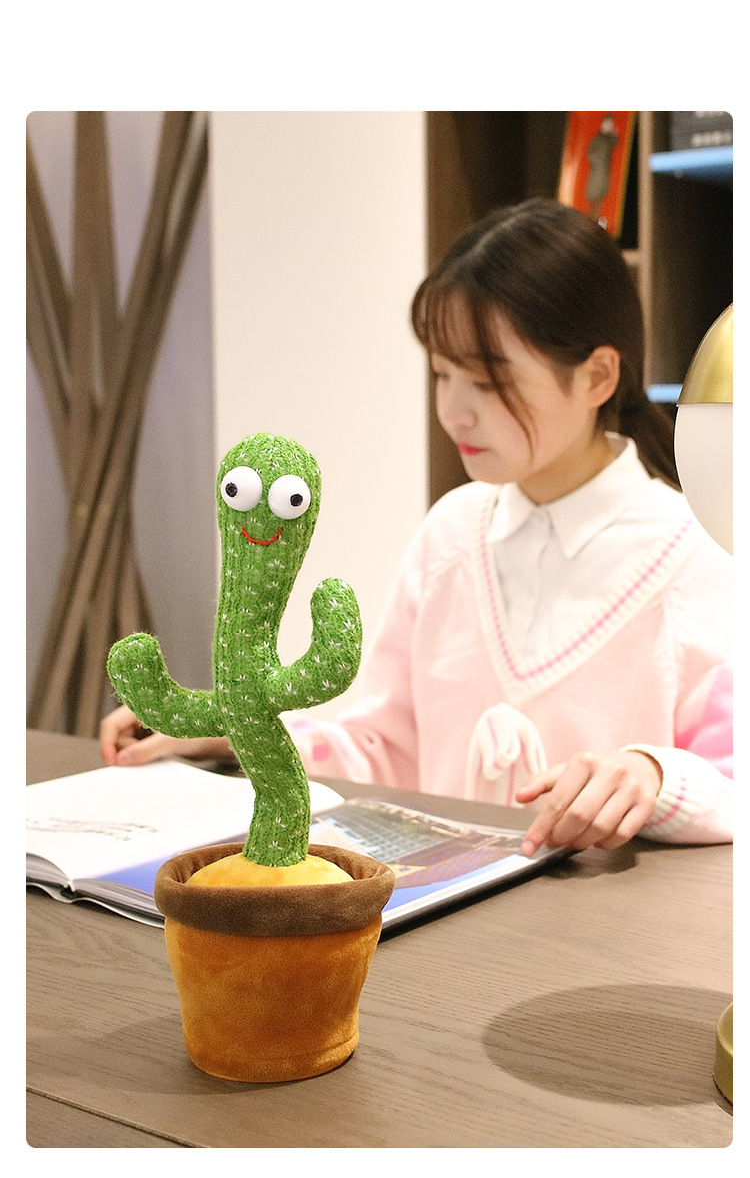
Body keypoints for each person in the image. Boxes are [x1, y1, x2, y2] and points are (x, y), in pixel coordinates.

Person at [101, 198, 732, 855]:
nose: (454, 411)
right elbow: (384, 749)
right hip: (446, 909)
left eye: (487, 380)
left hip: (598, 921)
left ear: (598, 375)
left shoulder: (700, 556)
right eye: (442, 373)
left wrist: (655, 775)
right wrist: (235, 730)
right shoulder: (452, 533)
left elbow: (732, 783)